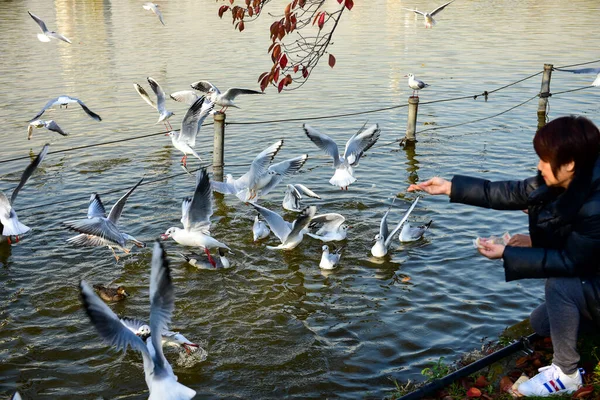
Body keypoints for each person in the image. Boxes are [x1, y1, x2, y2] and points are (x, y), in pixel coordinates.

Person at [407, 115, 600, 397]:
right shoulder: (575, 176)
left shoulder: (596, 203)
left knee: (560, 285)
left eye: (545, 160)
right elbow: (515, 192)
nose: (539, 166)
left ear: (569, 163)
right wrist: (450, 187)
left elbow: (574, 262)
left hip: (590, 276)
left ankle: (567, 374)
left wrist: (507, 254)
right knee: (542, 323)